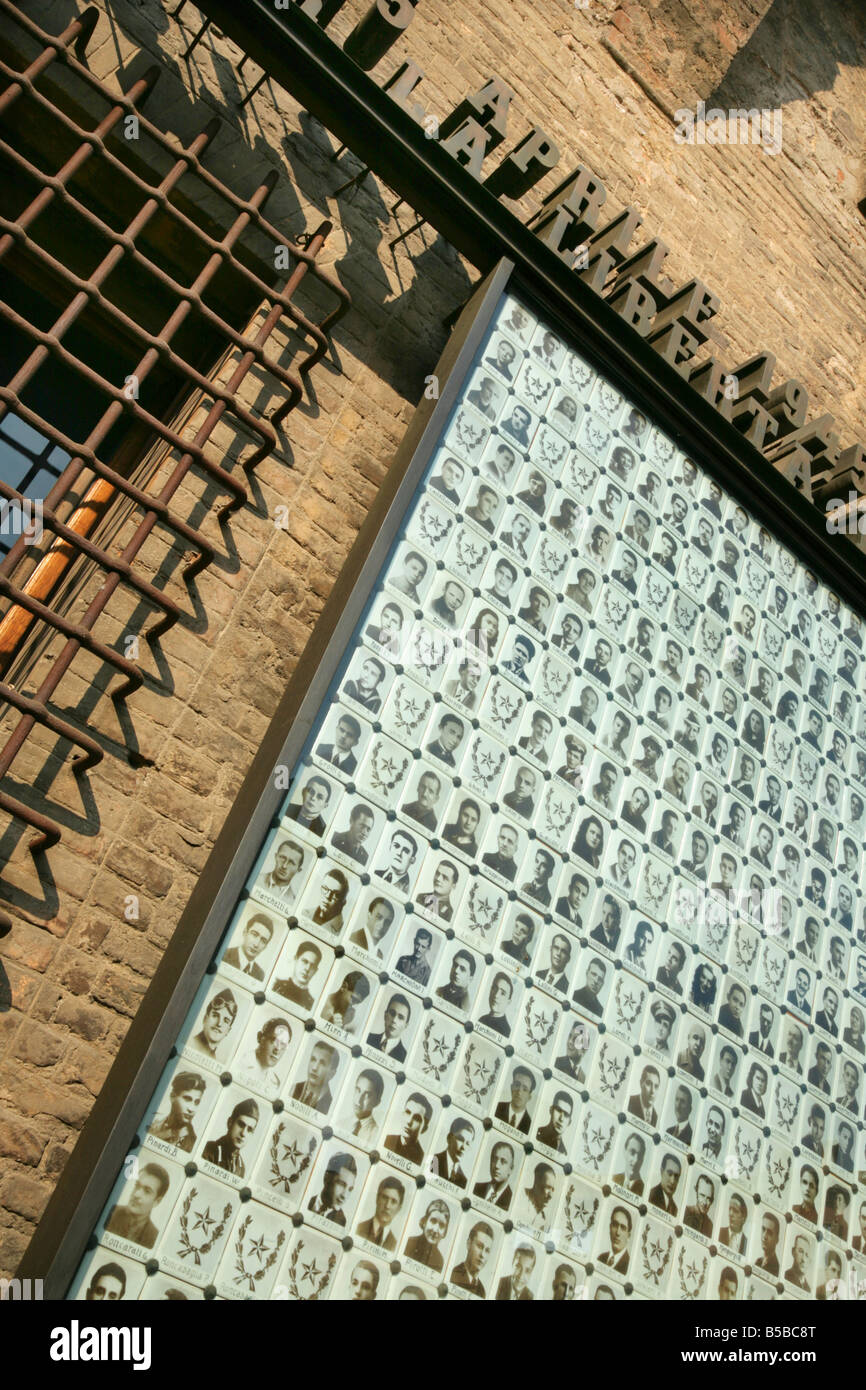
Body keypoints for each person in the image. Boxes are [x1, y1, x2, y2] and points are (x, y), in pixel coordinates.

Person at [105, 1162, 170, 1248]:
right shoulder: (109, 1212)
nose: (136, 1194)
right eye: (137, 1185)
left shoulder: (155, 1238)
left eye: (147, 1191)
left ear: (157, 1201)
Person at [149, 1070, 206, 1151]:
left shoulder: (194, 1145)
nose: (192, 1109)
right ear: (173, 1096)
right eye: (187, 1099)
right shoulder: (152, 1125)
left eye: (196, 1102)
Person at [202, 1098, 260, 1177]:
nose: (243, 1133)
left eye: (249, 1129)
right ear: (230, 1122)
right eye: (241, 1125)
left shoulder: (241, 1167)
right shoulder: (208, 1150)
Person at [239, 1016, 293, 1096]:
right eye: (273, 1040)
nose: (277, 1049)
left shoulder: (275, 1084)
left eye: (283, 1045)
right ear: (260, 1037)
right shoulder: (240, 1063)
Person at [356, 1173, 405, 1251]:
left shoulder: (396, 1246)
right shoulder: (358, 1228)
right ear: (377, 1199)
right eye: (385, 1198)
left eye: (393, 1201)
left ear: (399, 1208)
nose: (387, 1206)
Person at [384, 1092, 433, 1165]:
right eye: (407, 1112)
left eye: (416, 1118)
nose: (409, 1121)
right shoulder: (386, 1140)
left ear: (424, 1129)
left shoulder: (422, 1160)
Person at [272, 940, 322, 1010]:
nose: (307, 968)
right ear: (295, 959)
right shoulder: (276, 986)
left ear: (315, 971)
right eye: (305, 961)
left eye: (312, 966)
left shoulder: (311, 1005)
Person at [220, 915, 273, 980]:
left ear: (265, 947)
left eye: (263, 941)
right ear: (245, 932)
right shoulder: (223, 955)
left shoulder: (260, 975)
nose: (256, 944)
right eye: (254, 934)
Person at [404, 1198, 450, 1271]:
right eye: (433, 1221)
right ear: (425, 1221)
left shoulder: (439, 1261)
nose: (435, 1229)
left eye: (441, 1225)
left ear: (445, 1231)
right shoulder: (408, 1244)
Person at [450, 1221, 494, 1297]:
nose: (483, 1255)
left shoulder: (482, 1292)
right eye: (480, 1246)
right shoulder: (453, 1275)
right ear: (469, 1244)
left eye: (487, 1250)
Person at [191, 987, 238, 1059]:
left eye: (226, 1021)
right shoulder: (191, 1044)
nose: (219, 1023)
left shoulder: (213, 1057)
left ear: (228, 1030)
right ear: (205, 1019)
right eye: (215, 1016)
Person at [430, 1115, 475, 1187]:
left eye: (468, 1143)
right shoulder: (431, 1161)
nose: (463, 1147)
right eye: (460, 1139)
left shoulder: (464, 1182)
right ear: (449, 1138)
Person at [366, 993, 411, 1062]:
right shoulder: (368, 1038)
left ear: (406, 1026)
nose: (394, 1020)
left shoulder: (405, 1058)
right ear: (385, 1015)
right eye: (392, 1013)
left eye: (400, 1017)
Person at [258, 837, 305, 903]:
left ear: (298, 870)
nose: (284, 866)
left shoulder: (293, 901)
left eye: (291, 862)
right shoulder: (256, 880)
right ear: (275, 856)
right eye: (282, 857)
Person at [305, 867, 349, 934]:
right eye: (325, 888)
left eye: (335, 894)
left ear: (343, 902)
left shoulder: (343, 932)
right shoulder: (304, 913)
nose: (328, 896)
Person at [473, 1140, 515, 1209]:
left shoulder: (512, 1202)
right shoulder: (475, 1188)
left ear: (511, 1169)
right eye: (494, 1159)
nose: (497, 1166)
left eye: (503, 1161)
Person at [597, 1206, 632, 1274]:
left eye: (623, 1228)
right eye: (615, 1225)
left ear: (628, 1236)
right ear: (610, 1228)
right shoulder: (601, 1258)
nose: (618, 1233)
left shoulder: (629, 1267)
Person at [479, 971, 514, 1036]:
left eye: (502, 993)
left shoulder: (505, 1031)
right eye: (494, 988)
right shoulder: (482, 1019)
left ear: (508, 1002)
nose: (496, 995)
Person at [755, 1211, 780, 1276]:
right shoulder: (758, 1261)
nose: (764, 1236)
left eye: (769, 1233)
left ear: (777, 1239)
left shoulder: (776, 1268)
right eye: (763, 1229)